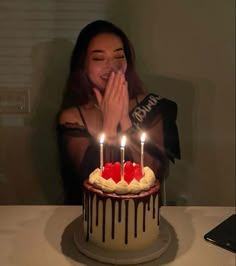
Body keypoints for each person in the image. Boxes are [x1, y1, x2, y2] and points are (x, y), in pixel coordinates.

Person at [57, 20, 180, 205]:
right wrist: (109, 123)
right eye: (99, 58)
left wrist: (124, 119)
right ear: (83, 64)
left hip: (143, 220)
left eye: (119, 57)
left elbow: (153, 174)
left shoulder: (151, 105)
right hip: (92, 222)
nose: (112, 66)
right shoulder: (72, 118)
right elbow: (94, 184)